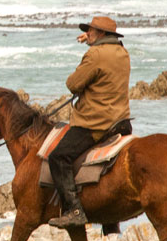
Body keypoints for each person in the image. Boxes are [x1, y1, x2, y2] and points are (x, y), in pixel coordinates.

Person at [48, 15, 132, 229]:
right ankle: (111, 223)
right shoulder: (123, 52)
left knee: (58, 157)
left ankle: (74, 211)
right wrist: (91, 39)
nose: (88, 33)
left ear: (102, 34)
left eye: (91, 31)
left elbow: (73, 84)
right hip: (122, 121)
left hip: (96, 123)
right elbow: (105, 61)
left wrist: (91, 47)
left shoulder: (94, 54)